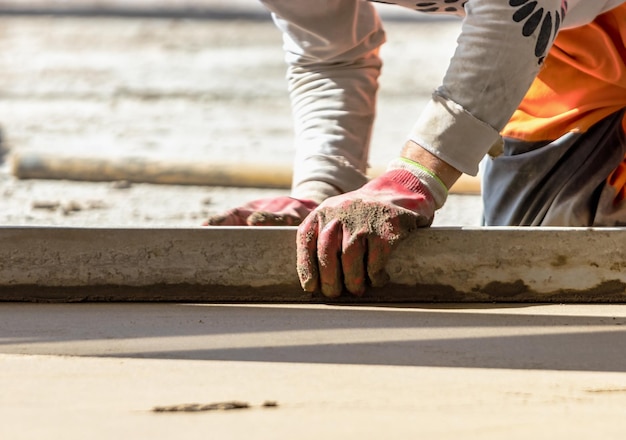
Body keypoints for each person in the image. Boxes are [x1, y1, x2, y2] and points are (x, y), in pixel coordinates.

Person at [206, 0, 626, 298]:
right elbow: (331, 56)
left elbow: (520, 4)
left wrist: (416, 174)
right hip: (574, 31)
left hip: (540, 11)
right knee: (559, 243)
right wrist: (322, 187)